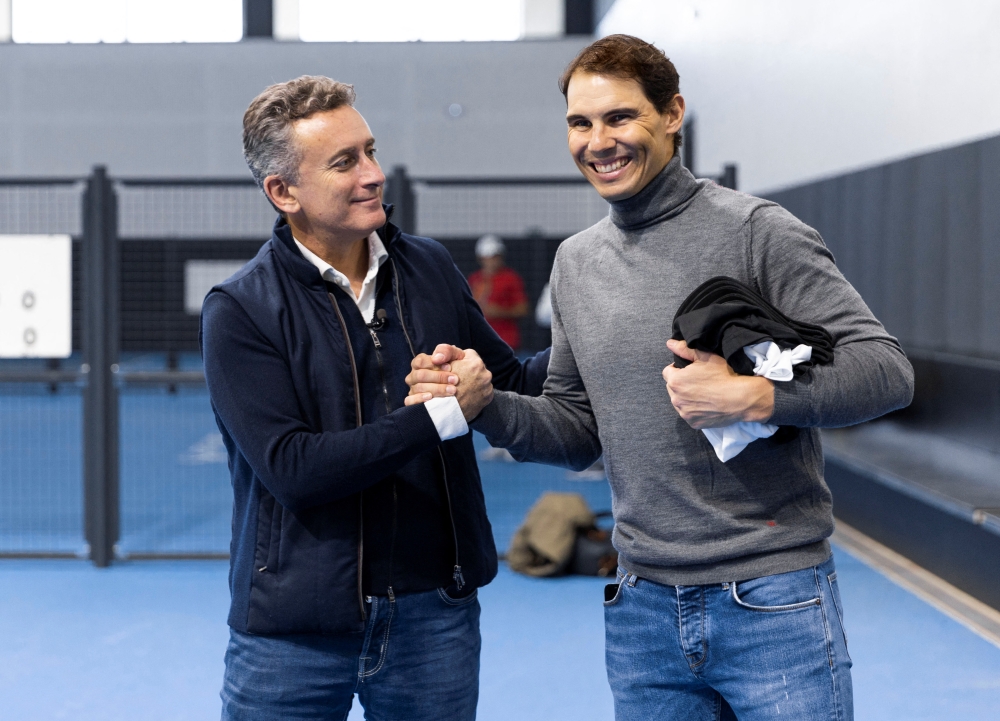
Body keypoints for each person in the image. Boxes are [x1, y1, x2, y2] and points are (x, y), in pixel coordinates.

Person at [405, 35, 914, 720]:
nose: (598, 141)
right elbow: (575, 427)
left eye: (620, 117)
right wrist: (487, 404)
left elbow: (887, 371)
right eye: (580, 123)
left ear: (671, 114)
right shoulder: (577, 264)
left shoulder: (758, 231)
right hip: (642, 609)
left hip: (771, 598)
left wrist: (758, 395)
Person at [201, 75, 549, 721]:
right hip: (293, 634)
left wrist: (608, 333)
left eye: (370, 150)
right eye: (344, 162)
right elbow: (296, 470)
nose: (373, 174)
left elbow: (515, 379)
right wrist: (444, 411)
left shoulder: (431, 268)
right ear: (284, 192)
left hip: (433, 617)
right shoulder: (240, 309)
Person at [467, 234, 529, 350]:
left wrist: (499, 311)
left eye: (495, 256)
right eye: (488, 257)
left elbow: (523, 309)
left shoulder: (511, 278)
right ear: (481, 258)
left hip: (505, 341)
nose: (491, 261)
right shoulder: (474, 279)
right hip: (480, 341)